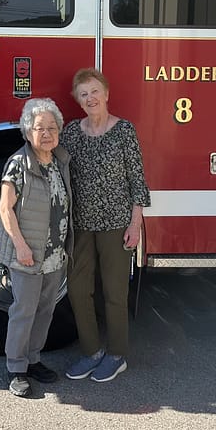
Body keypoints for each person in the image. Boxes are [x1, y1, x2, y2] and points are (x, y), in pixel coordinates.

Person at [60, 68, 150, 383]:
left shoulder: (124, 130)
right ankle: (92, 351)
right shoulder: (71, 132)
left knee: (114, 292)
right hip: (81, 225)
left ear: (106, 94)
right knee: (78, 290)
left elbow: (137, 179)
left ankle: (116, 354)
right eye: (83, 94)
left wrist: (135, 223)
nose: (90, 98)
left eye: (95, 91)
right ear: (78, 100)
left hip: (116, 224)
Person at [0, 97, 73, 398]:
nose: (46, 134)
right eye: (39, 128)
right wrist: (21, 247)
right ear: (27, 131)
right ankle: (16, 368)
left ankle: (34, 360)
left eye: (52, 128)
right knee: (23, 310)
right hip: (28, 254)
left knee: (44, 310)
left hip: (54, 254)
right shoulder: (19, 163)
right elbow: (5, 208)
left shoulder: (59, 161)